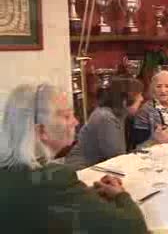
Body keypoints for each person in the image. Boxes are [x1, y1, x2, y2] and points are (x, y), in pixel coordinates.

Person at [0, 83, 148, 234]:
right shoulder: (56, 180)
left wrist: (86, 195)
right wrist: (121, 195)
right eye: (67, 116)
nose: (76, 122)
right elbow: (134, 227)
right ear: (42, 130)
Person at [65, 77, 144, 169]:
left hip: (100, 168)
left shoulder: (120, 115)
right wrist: (152, 141)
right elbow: (118, 159)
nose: (142, 99)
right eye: (139, 95)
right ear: (124, 101)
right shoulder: (106, 118)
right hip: (82, 170)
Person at [132, 70, 168, 146]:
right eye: (158, 86)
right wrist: (155, 139)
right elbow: (139, 143)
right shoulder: (145, 110)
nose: (163, 90)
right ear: (153, 90)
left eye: (167, 86)